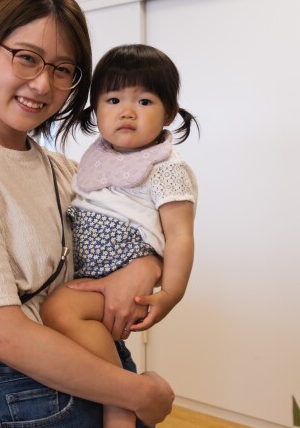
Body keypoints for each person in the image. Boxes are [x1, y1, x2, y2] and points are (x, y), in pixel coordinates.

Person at [0, 0, 175, 427]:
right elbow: (5, 336)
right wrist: (139, 392)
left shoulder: (67, 170)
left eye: (62, 69)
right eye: (27, 58)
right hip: (27, 393)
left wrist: (145, 266)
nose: (42, 84)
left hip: (96, 368)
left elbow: (137, 233)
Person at [41, 44, 199, 427]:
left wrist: (171, 294)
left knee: (58, 309)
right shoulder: (94, 160)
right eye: (113, 99)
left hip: (127, 284)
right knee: (66, 315)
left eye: (144, 101)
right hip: (93, 280)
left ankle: (120, 399)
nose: (127, 111)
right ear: (96, 110)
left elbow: (179, 235)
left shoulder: (165, 169)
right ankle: (121, 390)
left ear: (169, 114)